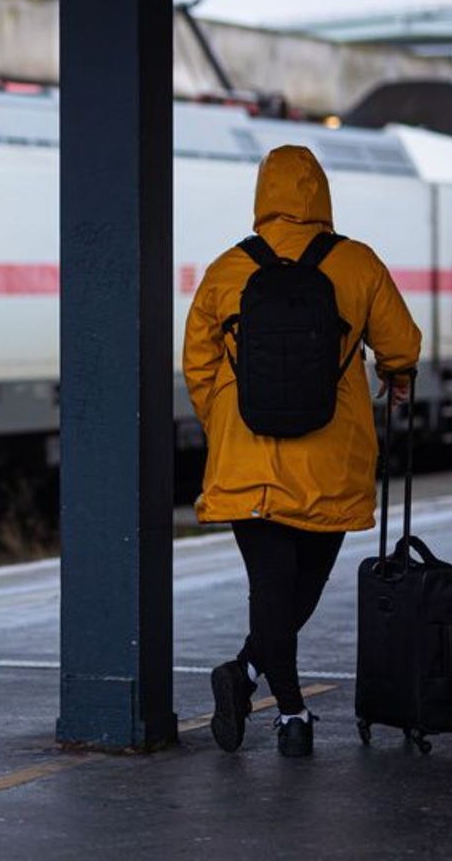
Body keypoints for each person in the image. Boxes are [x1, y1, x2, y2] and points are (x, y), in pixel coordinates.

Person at [183, 145, 421, 757]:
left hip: (247, 465)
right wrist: (395, 377)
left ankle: (260, 688)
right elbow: (401, 346)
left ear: (262, 197)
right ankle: (284, 708)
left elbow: (197, 364)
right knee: (298, 592)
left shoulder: (227, 270)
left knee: (270, 586)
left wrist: (227, 425)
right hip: (330, 463)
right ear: (321, 195)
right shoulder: (357, 264)